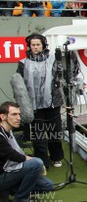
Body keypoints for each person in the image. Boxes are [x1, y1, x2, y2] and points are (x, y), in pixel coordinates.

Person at [16, 33, 64, 169]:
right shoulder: (23, 63)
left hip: (52, 103)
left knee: (54, 132)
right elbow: (19, 83)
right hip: (34, 105)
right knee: (38, 135)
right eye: (33, 45)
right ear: (29, 46)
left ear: (43, 45)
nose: (36, 47)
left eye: (38, 44)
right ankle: (42, 161)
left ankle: (56, 158)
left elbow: (60, 78)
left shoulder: (54, 59)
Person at [0, 102, 42, 202]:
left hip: (8, 171)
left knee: (47, 185)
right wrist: (33, 161)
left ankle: (7, 191)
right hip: (3, 174)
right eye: (14, 114)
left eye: (19, 114)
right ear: (2, 116)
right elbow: (15, 156)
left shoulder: (8, 131)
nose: (18, 118)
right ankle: (20, 201)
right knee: (37, 164)